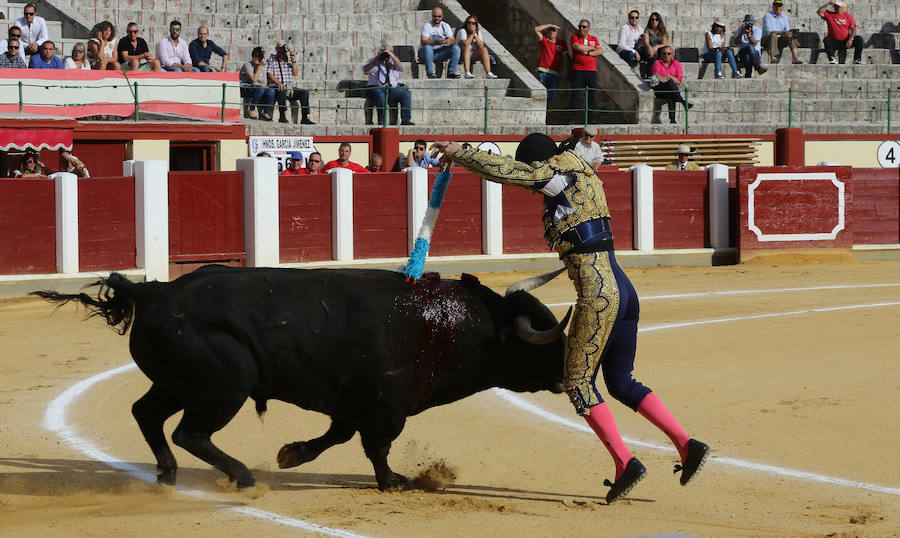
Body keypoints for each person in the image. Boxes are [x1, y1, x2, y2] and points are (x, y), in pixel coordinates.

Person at [429, 134, 710, 504]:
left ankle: (625, 462)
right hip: (624, 291)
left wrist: (461, 153)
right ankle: (686, 444)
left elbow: (510, 172)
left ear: (539, 161)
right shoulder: (585, 173)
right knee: (621, 381)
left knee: (577, 381)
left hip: (599, 293)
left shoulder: (555, 174)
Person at [363, 45, 415, 126]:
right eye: (384, 51)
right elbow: (366, 71)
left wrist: (391, 55)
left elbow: (401, 67)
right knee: (380, 94)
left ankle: (406, 120)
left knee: (406, 94)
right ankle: (382, 120)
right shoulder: (372, 60)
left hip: (392, 89)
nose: (385, 54)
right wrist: (377, 58)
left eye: (388, 52)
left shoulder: (394, 61)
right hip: (375, 88)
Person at [268, 40, 314, 124]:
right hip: (277, 86)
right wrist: (279, 83)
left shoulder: (289, 59)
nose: (282, 50)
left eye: (283, 48)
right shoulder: (272, 58)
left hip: (289, 88)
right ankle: (282, 116)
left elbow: (295, 73)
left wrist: (293, 60)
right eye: (280, 48)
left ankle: (305, 117)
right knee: (281, 90)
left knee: (304, 93)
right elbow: (270, 74)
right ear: (276, 49)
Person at [569, 19, 603, 122]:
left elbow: (600, 51)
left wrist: (588, 53)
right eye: (580, 26)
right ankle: (572, 119)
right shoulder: (574, 37)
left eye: (584, 27)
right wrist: (592, 48)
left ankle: (591, 119)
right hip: (578, 70)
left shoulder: (594, 38)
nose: (581, 29)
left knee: (592, 95)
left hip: (591, 71)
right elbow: (577, 46)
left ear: (588, 28)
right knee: (576, 95)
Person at [652, 46, 692, 124]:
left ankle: (672, 120)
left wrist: (668, 77)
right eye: (664, 54)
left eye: (668, 53)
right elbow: (656, 79)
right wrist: (671, 78)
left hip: (670, 90)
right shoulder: (657, 63)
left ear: (672, 54)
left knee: (671, 93)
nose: (666, 55)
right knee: (670, 83)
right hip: (659, 89)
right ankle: (683, 102)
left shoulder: (677, 64)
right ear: (661, 55)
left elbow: (678, 82)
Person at [417, 6, 460, 79]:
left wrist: (448, 41)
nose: (437, 18)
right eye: (434, 16)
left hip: (440, 53)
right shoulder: (427, 25)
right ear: (432, 16)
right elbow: (423, 41)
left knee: (456, 48)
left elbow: (453, 40)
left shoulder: (446, 26)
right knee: (428, 47)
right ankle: (430, 73)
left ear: (442, 16)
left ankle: (451, 73)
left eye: (439, 16)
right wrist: (435, 42)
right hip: (426, 52)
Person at [817, 0, 865, 65]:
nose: (837, 8)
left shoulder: (847, 15)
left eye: (839, 6)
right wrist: (828, 4)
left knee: (859, 39)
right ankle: (832, 58)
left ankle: (857, 59)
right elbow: (819, 12)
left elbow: (853, 28)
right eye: (836, 6)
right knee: (826, 39)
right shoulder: (829, 14)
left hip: (846, 41)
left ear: (842, 7)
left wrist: (851, 39)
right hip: (834, 42)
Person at [240, 46, 275, 120]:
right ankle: (251, 109)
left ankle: (266, 112)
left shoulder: (263, 68)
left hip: (256, 89)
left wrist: (258, 83)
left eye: (259, 56)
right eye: (255, 56)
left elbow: (265, 83)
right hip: (245, 88)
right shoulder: (248, 65)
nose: (257, 58)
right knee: (260, 89)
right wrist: (259, 67)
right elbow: (253, 79)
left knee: (271, 91)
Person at [533, 23, 565, 105]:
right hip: (542, 72)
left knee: (553, 95)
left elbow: (566, 58)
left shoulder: (561, 43)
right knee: (541, 94)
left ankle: (547, 111)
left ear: (557, 32)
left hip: (554, 73)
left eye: (553, 30)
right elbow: (536, 29)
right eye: (550, 30)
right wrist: (549, 25)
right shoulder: (544, 41)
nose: (551, 32)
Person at [762, 0, 802, 64]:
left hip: (780, 39)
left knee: (791, 36)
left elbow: (787, 29)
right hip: (767, 40)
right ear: (773, 7)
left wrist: (788, 34)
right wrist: (783, 32)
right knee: (773, 35)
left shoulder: (784, 16)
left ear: (782, 8)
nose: (778, 8)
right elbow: (769, 31)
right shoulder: (768, 16)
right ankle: (773, 57)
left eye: (779, 6)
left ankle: (795, 58)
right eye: (776, 6)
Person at [637, 12, 668, 79]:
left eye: (656, 19)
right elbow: (646, 42)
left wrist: (656, 47)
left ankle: (667, 73)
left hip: (659, 48)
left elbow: (664, 43)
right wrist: (650, 48)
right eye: (652, 19)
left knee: (667, 51)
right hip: (649, 49)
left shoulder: (662, 31)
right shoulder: (647, 30)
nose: (654, 21)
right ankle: (651, 74)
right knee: (654, 53)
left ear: (659, 21)